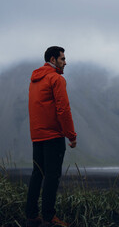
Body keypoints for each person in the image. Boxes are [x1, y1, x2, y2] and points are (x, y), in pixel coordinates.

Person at [25, 46, 77, 227]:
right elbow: (63, 110)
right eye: (62, 59)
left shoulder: (34, 79)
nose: (65, 62)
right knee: (52, 176)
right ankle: (49, 217)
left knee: (37, 174)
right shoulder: (56, 79)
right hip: (53, 136)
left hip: (37, 135)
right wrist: (71, 135)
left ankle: (31, 216)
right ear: (53, 60)